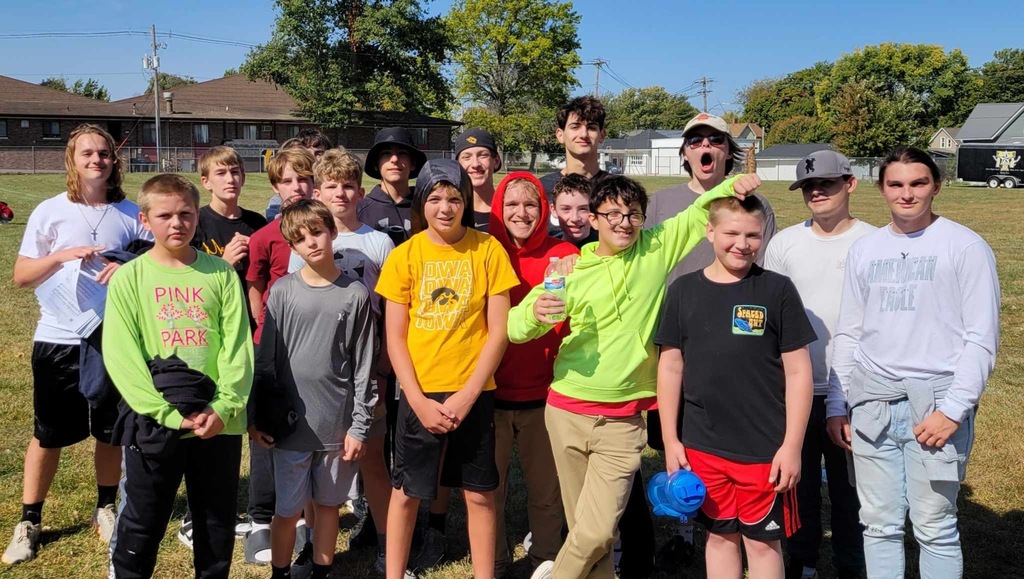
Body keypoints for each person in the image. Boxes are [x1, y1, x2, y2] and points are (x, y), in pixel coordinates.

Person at [509, 172, 761, 579]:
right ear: (593, 219)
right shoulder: (572, 268)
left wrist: (730, 187)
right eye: (612, 214)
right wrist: (534, 314)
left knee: (596, 532)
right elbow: (516, 327)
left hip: (623, 421)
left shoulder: (656, 248)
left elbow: (698, 211)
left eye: (633, 214)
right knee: (588, 531)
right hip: (566, 411)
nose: (624, 223)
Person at [826, 147, 1000, 578]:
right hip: (872, 402)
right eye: (896, 184)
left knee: (935, 526)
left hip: (935, 405)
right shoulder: (866, 250)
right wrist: (837, 403)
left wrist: (953, 410)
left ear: (936, 186)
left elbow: (981, 339)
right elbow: (850, 332)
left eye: (918, 183)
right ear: (882, 189)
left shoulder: (965, 246)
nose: (907, 194)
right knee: (878, 524)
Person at [6, 124, 151, 565]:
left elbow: (156, 263)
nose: (96, 160)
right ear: (72, 159)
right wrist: (58, 257)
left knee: (110, 430)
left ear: (113, 159)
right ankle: (30, 520)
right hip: (59, 338)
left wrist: (129, 265)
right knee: (48, 433)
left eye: (104, 153)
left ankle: (105, 506)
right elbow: (20, 276)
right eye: (87, 153)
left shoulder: (131, 213)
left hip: (112, 337)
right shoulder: (51, 211)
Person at [643, 112, 778, 570]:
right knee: (677, 437)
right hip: (677, 337)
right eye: (696, 141)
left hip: (736, 338)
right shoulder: (662, 202)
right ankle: (686, 529)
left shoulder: (753, 203)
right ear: (685, 153)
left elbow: (760, 268)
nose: (706, 147)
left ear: (727, 152)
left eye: (715, 141)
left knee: (722, 436)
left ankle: (735, 528)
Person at [656, 195, 815, 579]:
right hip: (702, 446)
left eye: (753, 235)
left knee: (762, 544)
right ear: (710, 231)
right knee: (719, 537)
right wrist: (671, 440)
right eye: (731, 233)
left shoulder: (776, 290)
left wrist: (792, 446)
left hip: (764, 449)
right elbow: (671, 368)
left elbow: (798, 373)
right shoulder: (682, 290)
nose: (742, 244)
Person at [103, 173, 253, 578]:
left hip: (217, 422)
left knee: (215, 523)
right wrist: (164, 413)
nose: (177, 223)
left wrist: (223, 406)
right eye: (165, 215)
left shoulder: (220, 274)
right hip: (154, 421)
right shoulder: (130, 278)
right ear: (144, 220)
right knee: (142, 522)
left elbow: (238, 346)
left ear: (196, 215)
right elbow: (121, 355)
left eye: (186, 214)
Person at [376, 159, 519, 579]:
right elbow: (395, 338)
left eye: (454, 198)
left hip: (473, 392)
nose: (445, 207)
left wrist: (469, 394)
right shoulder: (405, 256)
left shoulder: (487, 250)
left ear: (465, 202)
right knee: (407, 493)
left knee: (479, 495)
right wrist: (418, 400)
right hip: (420, 394)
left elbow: (499, 332)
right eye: (435, 198)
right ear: (421, 202)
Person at [763, 150, 872, 579]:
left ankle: (852, 564)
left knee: (852, 490)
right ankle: (803, 560)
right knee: (798, 485)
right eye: (809, 186)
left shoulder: (874, 242)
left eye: (827, 183)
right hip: (796, 389)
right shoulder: (784, 244)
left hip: (856, 390)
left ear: (850, 184)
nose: (817, 192)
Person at [255, 199, 376, 579]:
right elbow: (265, 362)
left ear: (332, 232)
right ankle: (280, 572)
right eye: (300, 238)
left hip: (336, 427)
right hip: (289, 428)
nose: (311, 242)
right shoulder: (282, 292)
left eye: (317, 232)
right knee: (288, 510)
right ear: (292, 246)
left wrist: (359, 426)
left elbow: (364, 366)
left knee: (327, 507)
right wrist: (258, 418)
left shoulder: (355, 294)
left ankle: (322, 571)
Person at [306, 149, 397, 574]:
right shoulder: (307, 241)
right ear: (318, 193)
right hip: (321, 372)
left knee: (373, 459)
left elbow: (392, 312)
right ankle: (312, 542)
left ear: (361, 192)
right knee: (316, 460)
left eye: (348, 186)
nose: (340, 193)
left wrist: (383, 368)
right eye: (331, 186)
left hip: (367, 368)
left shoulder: (378, 243)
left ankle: (387, 543)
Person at [488, 172, 578, 577]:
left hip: (544, 394)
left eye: (530, 205)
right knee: (491, 488)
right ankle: (494, 559)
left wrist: (576, 265)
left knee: (546, 489)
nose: (521, 213)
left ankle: (545, 557)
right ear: (498, 208)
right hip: (491, 392)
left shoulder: (564, 254)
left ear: (544, 210)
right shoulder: (485, 251)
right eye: (512, 204)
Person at [243, 146, 316, 564]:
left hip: (312, 347)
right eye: (287, 180)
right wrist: (263, 333)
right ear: (275, 186)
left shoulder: (321, 231)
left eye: (304, 178)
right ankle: (260, 517)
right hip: (272, 345)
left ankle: (301, 514)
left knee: (303, 428)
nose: (296, 187)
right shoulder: (265, 236)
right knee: (266, 431)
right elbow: (255, 287)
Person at [357, 127, 427, 247]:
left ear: (413, 163)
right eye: (386, 153)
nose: (394, 159)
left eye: (402, 153)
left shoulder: (426, 208)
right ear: (376, 164)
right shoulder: (360, 210)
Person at [266, 129, 334, 220]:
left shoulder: (336, 190)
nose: (313, 158)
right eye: (306, 153)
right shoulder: (278, 201)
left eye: (319, 153)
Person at [456, 128, 503, 232]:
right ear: (457, 165)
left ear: (496, 161)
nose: (475, 164)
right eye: (466, 157)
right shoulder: (453, 212)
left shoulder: (510, 209)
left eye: (483, 155)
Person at [551, 173, 598, 248]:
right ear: (554, 210)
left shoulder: (606, 250)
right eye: (566, 209)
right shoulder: (547, 247)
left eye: (583, 209)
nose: (575, 218)